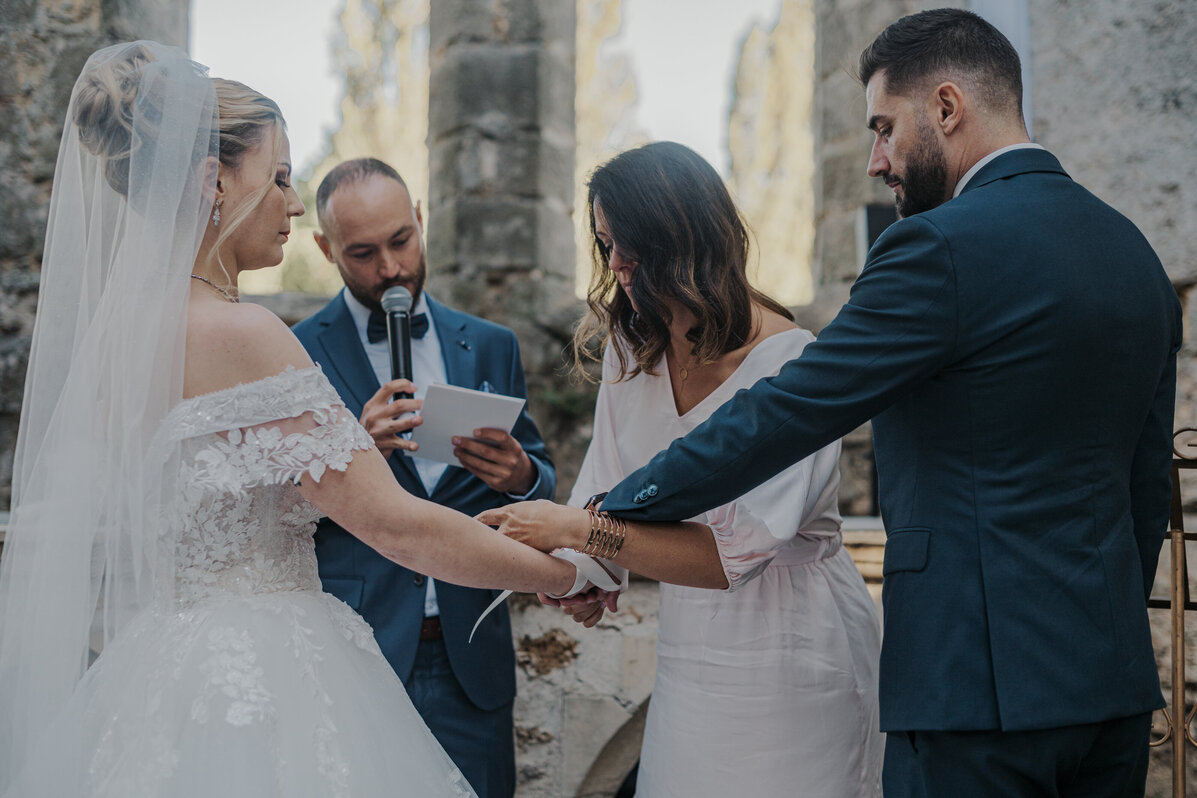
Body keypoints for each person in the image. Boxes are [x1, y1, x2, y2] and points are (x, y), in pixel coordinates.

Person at [587, 10, 1179, 798]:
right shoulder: (1133, 253)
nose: (875, 161)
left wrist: (608, 512)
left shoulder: (936, 247)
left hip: (974, 696)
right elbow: (1145, 482)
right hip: (1111, 687)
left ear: (945, 107)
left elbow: (788, 410)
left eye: (884, 127)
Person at [0, 41, 581, 798]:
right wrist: (567, 570)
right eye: (278, 177)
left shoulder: (113, 341)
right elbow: (398, 526)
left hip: (162, 668)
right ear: (213, 180)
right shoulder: (244, 335)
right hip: (270, 673)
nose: (294, 202)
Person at [479, 142, 884, 797]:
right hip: (692, 643)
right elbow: (603, 495)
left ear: (689, 238)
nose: (616, 265)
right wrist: (583, 575)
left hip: (793, 644)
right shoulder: (630, 348)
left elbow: (729, 556)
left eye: (631, 245)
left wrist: (579, 535)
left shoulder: (792, 362)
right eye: (606, 243)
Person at [292, 157, 556, 798]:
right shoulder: (297, 350)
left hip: (471, 653)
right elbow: (277, 510)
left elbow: (542, 483)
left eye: (401, 241)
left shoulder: (491, 344)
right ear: (326, 249)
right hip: (358, 648)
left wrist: (519, 472)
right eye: (362, 253)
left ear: (421, 219)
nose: (390, 270)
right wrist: (349, 451)